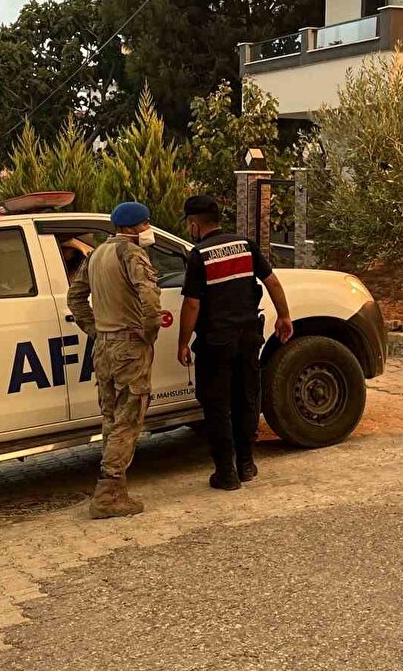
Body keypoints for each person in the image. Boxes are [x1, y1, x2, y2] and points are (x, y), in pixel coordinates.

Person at [177, 195, 293, 490]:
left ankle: (225, 474)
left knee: (217, 405)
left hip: (216, 343)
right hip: (248, 338)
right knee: (245, 399)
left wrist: (183, 342)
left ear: (194, 224)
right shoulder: (245, 245)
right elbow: (272, 282)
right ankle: (246, 464)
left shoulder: (199, 254)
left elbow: (192, 304)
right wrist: (284, 316)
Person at [68, 201, 163, 518]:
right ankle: (108, 493)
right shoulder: (131, 253)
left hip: (104, 347)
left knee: (111, 418)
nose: (148, 229)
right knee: (128, 419)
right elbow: (150, 299)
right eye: (146, 223)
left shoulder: (97, 254)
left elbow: (75, 296)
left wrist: (94, 329)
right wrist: (148, 333)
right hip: (128, 346)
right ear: (133, 227)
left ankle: (112, 487)